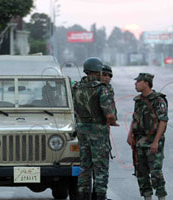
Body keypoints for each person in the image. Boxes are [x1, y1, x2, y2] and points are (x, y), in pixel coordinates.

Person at [72, 57, 118, 200]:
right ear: (97, 71)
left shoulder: (76, 87)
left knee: (85, 166)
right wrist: (112, 120)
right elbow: (109, 114)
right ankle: (100, 196)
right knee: (101, 167)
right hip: (97, 131)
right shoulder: (101, 89)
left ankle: (83, 195)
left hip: (82, 130)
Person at [127, 73, 168, 200]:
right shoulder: (138, 101)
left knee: (155, 172)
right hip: (139, 142)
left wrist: (156, 141)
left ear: (146, 83)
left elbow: (163, 121)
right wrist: (130, 134)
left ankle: (161, 196)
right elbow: (135, 119)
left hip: (152, 141)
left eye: (138, 82)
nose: (135, 84)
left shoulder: (158, 100)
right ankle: (147, 197)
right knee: (141, 172)